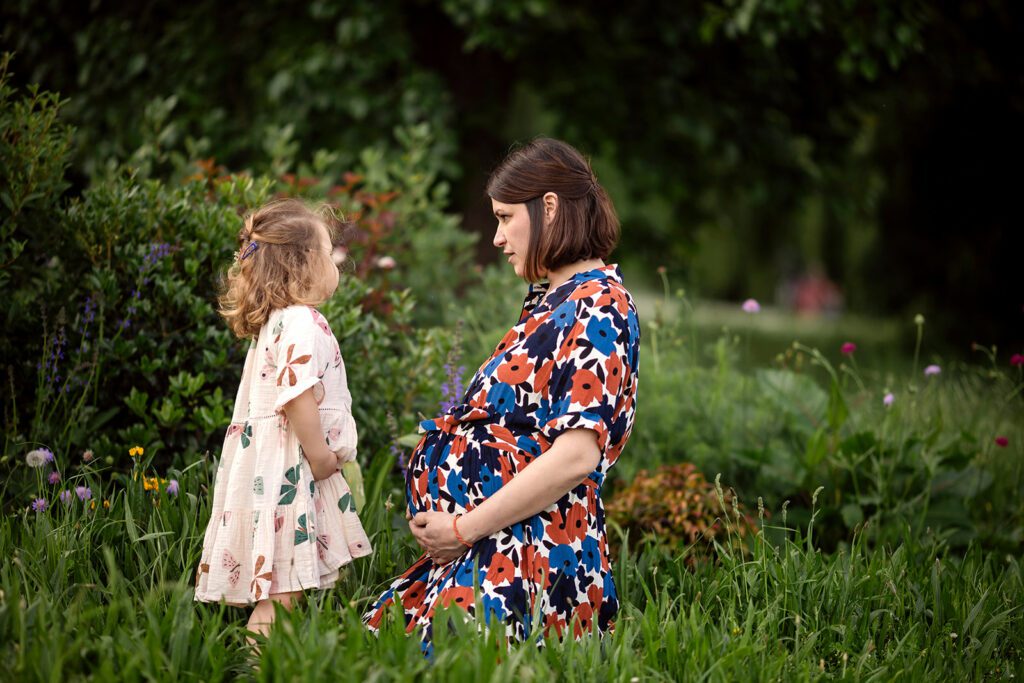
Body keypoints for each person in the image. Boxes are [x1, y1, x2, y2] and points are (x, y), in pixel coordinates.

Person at [364, 138, 640, 649]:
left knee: (440, 658)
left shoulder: (599, 305)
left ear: (550, 208)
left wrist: (464, 528)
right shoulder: (553, 301)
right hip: (495, 544)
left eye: (505, 217)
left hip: (535, 555)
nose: (496, 237)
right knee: (376, 649)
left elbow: (576, 457)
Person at [194, 199, 371, 640]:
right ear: (303, 264)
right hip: (293, 470)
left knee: (280, 588)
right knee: (281, 596)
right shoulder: (301, 321)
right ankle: (260, 664)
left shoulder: (277, 322)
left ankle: (274, 655)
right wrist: (320, 456)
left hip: (272, 471)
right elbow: (295, 396)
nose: (336, 264)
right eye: (329, 253)